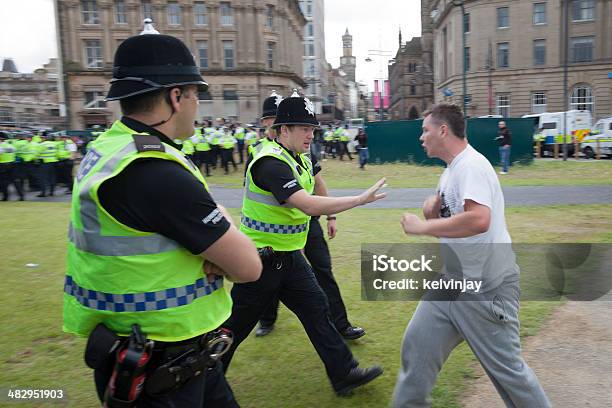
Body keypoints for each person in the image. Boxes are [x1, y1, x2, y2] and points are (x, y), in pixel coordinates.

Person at [62, 29, 262, 407]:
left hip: (149, 350)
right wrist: (223, 226)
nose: (196, 105)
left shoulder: (109, 149)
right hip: (162, 366)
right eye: (195, 95)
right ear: (176, 97)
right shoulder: (154, 170)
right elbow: (249, 267)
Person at [221, 91, 386, 396]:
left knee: (317, 310)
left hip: (289, 258)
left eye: (312, 129)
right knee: (233, 328)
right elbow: (307, 205)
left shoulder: (298, 158)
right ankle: (203, 383)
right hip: (261, 262)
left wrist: (333, 216)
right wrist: (360, 199)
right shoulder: (269, 161)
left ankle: (344, 373)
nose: (311, 135)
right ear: (283, 130)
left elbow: (313, 192)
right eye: (303, 129)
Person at [392, 103, 550, 408]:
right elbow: (453, 219)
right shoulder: (452, 171)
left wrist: (424, 227)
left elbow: (479, 220)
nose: (421, 137)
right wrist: (432, 211)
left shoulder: (472, 166)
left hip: (486, 292)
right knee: (417, 348)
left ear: (442, 130)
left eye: (425, 130)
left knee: (510, 376)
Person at [0, 132, 24, 201]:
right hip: (13, 164)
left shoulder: (0, 146)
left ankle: (5, 197)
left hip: (3, 165)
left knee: (3, 182)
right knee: (16, 181)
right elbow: (15, 154)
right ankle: (21, 196)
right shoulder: (10, 146)